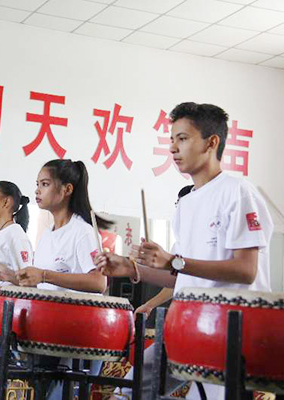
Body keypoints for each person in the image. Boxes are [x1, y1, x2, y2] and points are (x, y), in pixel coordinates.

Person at [95, 102, 274, 400]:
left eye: (183, 138)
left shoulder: (238, 192)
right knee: (126, 393)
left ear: (211, 142)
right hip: (188, 325)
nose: (174, 149)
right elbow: (181, 277)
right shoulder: (187, 202)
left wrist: (174, 260)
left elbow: (245, 270)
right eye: (171, 140)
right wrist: (130, 268)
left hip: (228, 332)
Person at [0, 159, 110, 293]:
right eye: (37, 184)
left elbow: (99, 282)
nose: (37, 191)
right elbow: (41, 287)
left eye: (45, 184)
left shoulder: (83, 232)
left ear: (67, 189)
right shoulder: (46, 235)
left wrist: (44, 275)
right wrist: (9, 275)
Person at [0, 181, 33, 289]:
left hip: (4, 303)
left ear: (6, 202)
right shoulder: (1, 234)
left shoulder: (15, 235)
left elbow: (27, 282)